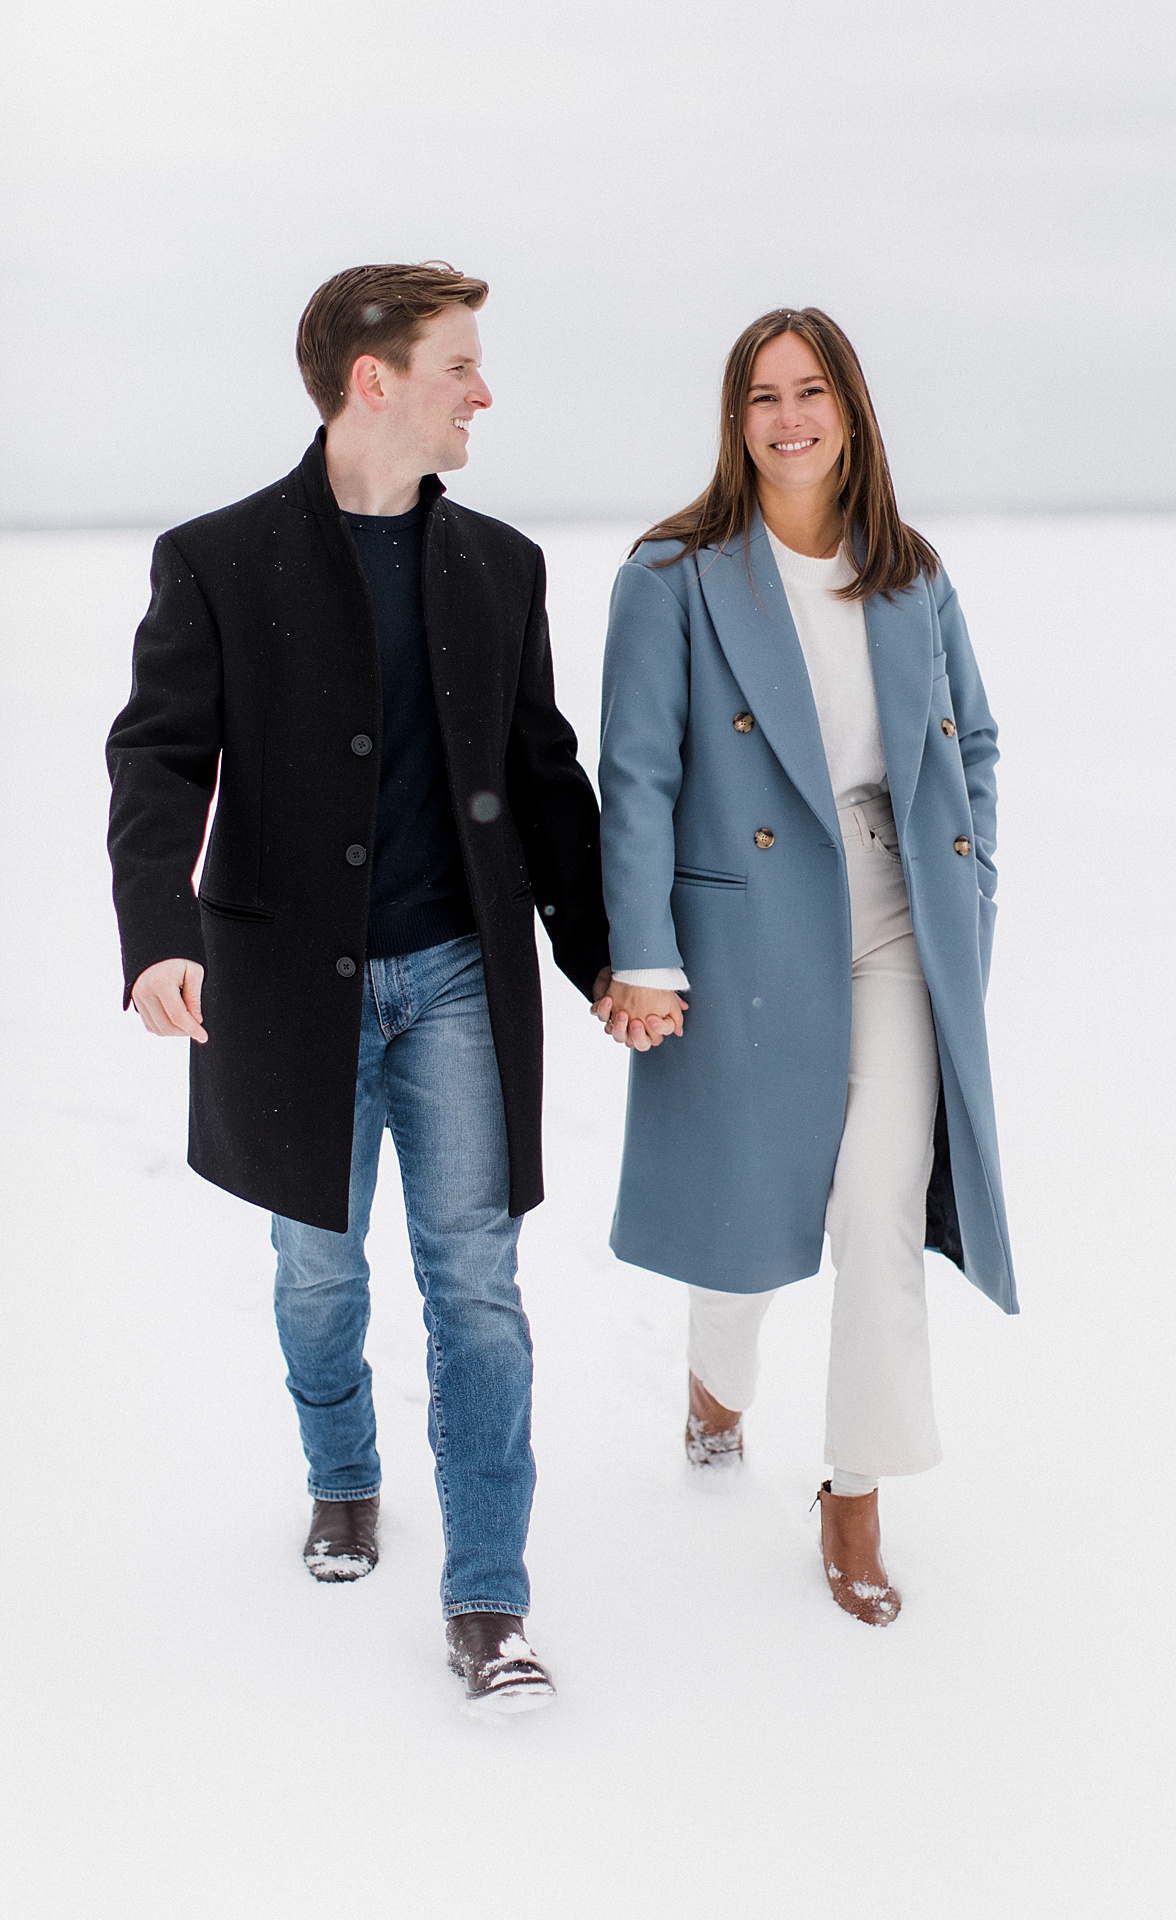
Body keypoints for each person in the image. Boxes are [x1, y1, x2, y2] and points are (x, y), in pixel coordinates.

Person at [106, 261, 611, 1711]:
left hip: (459, 975)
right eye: (462, 364)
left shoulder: (500, 567)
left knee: (478, 1285)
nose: (485, 392)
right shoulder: (215, 559)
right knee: (318, 1269)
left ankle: (489, 1598)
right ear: (374, 379)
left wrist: (600, 959)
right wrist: (158, 933)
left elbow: (542, 780)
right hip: (286, 988)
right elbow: (156, 758)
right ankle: (342, 1475)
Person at [592, 307, 1015, 1624]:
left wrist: (970, 895)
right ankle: (717, 1385)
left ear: (850, 411)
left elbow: (976, 749)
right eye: (763, 396)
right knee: (750, 1213)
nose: (788, 418)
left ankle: (856, 1491)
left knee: (879, 1201)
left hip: (894, 923)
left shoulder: (912, 575)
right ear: (738, 419)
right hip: (744, 929)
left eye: (811, 391)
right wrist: (646, 954)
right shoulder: (672, 574)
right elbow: (639, 776)